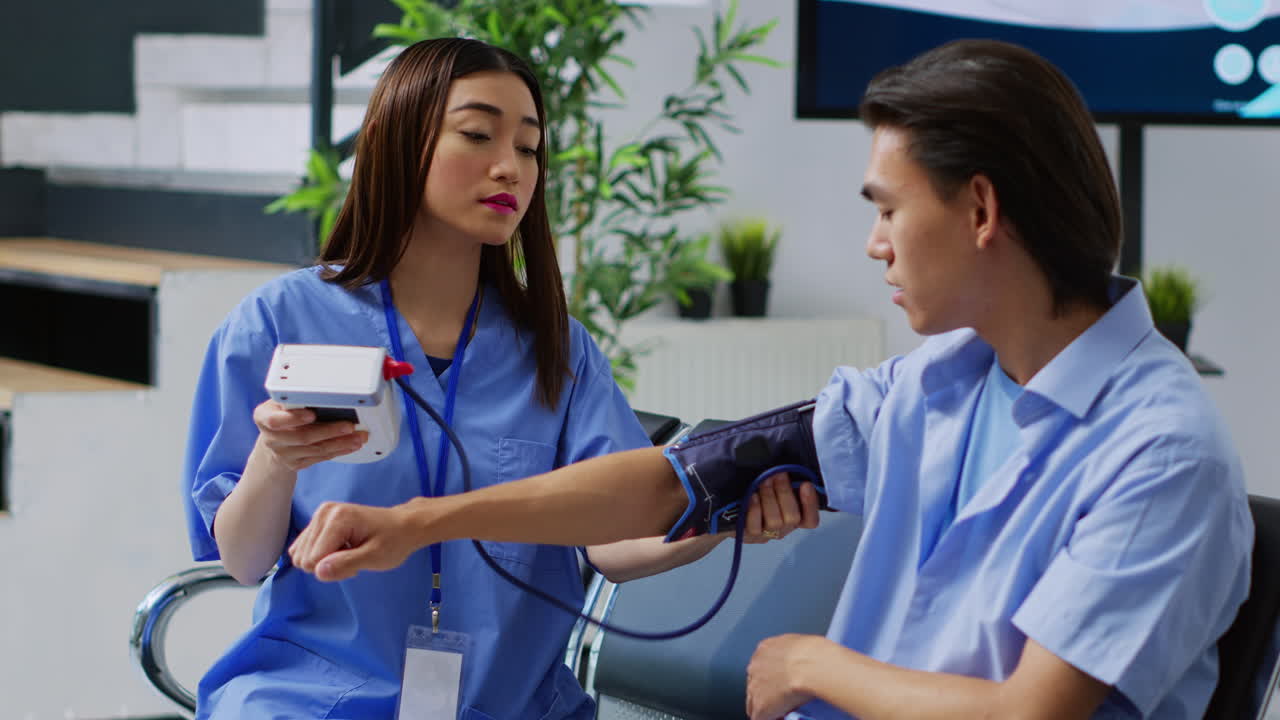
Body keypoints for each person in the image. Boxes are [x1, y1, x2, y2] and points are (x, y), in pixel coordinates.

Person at [287, 38, 1252, 720]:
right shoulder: (932, 384)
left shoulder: (1159, 453)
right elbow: (676, 478)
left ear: (982, 209)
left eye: (887, 209)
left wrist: (811, 664)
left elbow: (1027, 714)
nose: (872, 246)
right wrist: (418, 523)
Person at [182, 37, 817, 720]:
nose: (509, 167)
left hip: (511, 704)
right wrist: (276, 460)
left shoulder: (559, 351)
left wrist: (722, 520)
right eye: (478, 134)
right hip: (308, 699)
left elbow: (613, 538)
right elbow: (244, 560)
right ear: (398, 140)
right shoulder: (276, 322)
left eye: (528, 147)